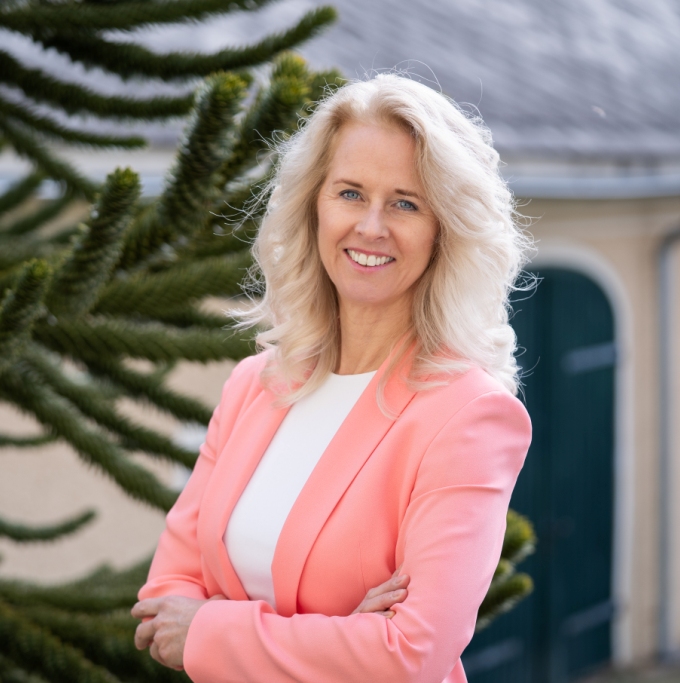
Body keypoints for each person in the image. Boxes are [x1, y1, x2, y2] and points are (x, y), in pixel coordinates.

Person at [132, 73, 533, 683]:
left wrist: (213, 630)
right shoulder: (254, 386)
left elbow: (410, 656)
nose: (371, 226)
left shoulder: (468, 416)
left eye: (406, 203)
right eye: (350, 193)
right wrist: (342, 637)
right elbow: (165, 603)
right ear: (314, 206)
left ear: (443, 231)